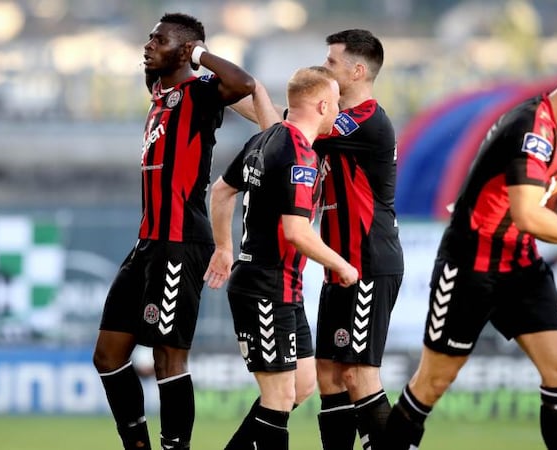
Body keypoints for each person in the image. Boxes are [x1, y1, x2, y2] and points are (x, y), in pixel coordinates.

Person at [385, 51, 557, 450]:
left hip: (520, 267)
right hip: (471, 268)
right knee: (434, 381)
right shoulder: (531, 128)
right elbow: (529, 215)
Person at [92, 12, 255, 450]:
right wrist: (168, 53)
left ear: (184, 51)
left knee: (169, 358)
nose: (148, 45)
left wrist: (198, 53)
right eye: (148, 38)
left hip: (181, 242)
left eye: (158, 39)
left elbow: (244, 85)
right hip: (148, 243)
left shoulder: (200, 93)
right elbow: (151, 68)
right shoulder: (160, 92)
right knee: (107, 356)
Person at [205, 66, 359, 449]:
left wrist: (225, 248)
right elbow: (296, 231)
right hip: (264, 288)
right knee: (277, 398)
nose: (338, 111)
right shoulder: (300, 157)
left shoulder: (268, 137)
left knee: (302, 385)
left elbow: (221, 191)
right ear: (323, 105)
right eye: (336, 104)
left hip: (283, 289)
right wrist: (340, 264)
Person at [310, 29, 404, 450]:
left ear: (358, 70)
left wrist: (245, 91)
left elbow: (289, 126)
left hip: (367, 261)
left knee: (358, 374)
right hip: (339, 266)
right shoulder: (338, 121)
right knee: (330, 375)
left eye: (331, 62)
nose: (324, 67)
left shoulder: (364, 119)